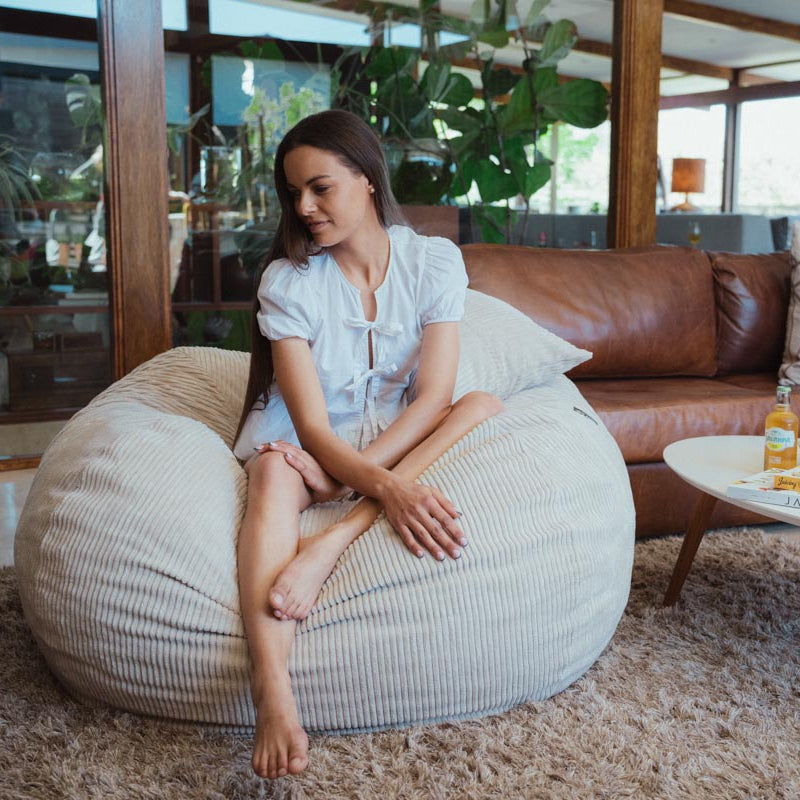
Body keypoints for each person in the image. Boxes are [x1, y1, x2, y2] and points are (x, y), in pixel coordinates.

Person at [233, 109, 503, 781]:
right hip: (311, 432)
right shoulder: (289, 283)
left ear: (367, 179)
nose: (304, 206)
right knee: (272, 476)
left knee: (478, 403)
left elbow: (435, 396)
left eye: (320, 187)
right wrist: (380, 484)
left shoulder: (432, 261)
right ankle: (272, 686)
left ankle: (333, 540)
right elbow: (315, 432)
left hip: (391, 430)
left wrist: (352, 486)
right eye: (294, 192)